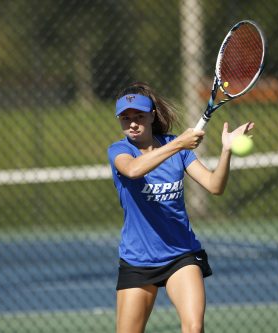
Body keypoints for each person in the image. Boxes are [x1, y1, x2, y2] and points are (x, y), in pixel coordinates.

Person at [107, 82, 254, 333]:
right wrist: (178, 144)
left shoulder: (178, 148)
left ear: (152, 115)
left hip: (180, 255)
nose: (132, 123)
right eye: (126, 118)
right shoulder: (120, 150)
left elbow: (214, 186)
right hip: (138, 259)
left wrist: (226, 151)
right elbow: (133, 170)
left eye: (139, 116)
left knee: (193, 327)